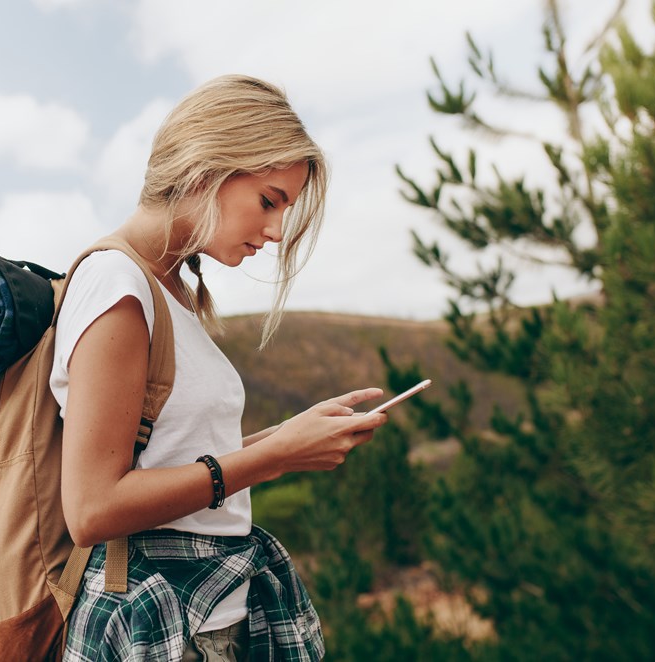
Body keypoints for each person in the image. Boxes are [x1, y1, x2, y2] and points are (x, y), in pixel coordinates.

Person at [50, 74, 389, 661]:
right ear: (206, 169)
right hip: (157, 620)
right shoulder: (118, 286)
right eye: (269, 200)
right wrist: (275, 456)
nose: (278, 231)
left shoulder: (169, 290)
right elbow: (92, 508)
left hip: (203, 613)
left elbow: (174, 458)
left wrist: (285, 438)